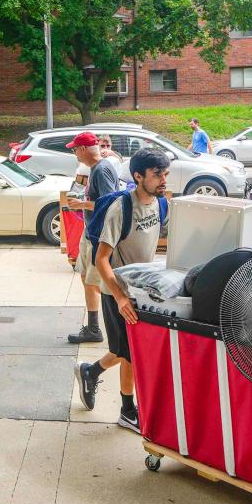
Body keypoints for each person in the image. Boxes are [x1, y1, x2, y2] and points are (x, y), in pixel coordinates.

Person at [73, 148, 170, 432]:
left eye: (165, 174)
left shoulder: (159, 203)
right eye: (157, 175)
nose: (163, 180)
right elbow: (101, 258)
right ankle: (127, 411)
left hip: (140, 288)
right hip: (116, 290)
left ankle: (90, 372)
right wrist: (119, 296)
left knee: (127, 350)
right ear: (138, 176)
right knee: (129, 353)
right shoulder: (122, 208)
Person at [64, 132, 116, 344]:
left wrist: (81, 204)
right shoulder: (97, 168)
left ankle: (99, 328)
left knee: (96, 282)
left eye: (75, 149)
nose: (74, 153)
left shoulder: (102, 170)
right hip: (91, 232)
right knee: (86, 278)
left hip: (98, 236)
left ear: (84, 149)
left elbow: (111, 204)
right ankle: (93, 327)